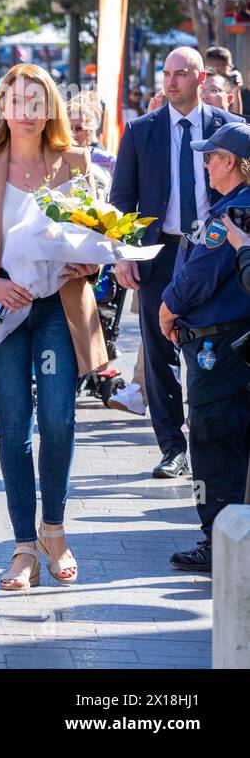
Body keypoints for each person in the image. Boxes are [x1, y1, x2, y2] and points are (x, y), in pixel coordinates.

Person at [0, 63, 107, 591]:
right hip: (5, 313)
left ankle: (55, 532)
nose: (25, 110)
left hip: (57, 312)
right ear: (2, 107)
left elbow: (96, 241)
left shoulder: (75, 161)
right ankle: (23, 549)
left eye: (35, 101)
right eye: (15, 100)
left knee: (59, 420)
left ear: (50, 108)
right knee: (14, 429)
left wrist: (88, 263)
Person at [111, 47, 238, 480]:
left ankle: (216, 444)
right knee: (158, 352)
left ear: (201, 78)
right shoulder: (141, 131)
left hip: (216, 253)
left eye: (181, 74)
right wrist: (123, 255)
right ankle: (172, 449)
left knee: (210, 346)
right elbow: (121, 200)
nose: (171, 82)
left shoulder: (231, 130)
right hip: (159, 252)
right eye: (167, 73)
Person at [158, 122, 250, 573]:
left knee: (214, 445)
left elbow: (200, 275)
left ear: (230, 162)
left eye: (211, 156)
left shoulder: (233, 213)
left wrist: (167, 307)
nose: (206, 163)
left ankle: (219, 545)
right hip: (236, 345)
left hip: (219, 347)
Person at [66, 91, 115, 195]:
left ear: (89, 130)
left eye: (79, 128)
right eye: (69, 128)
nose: (73, 133)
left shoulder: (109, 162)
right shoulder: (54, 159)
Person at [204, 45, 244, 117]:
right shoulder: (199, 82)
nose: (229, 70)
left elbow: (237, 118)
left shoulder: (230, 82)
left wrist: (236, 91)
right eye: (227, 66)